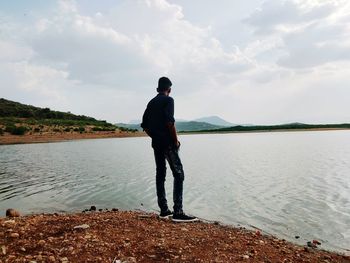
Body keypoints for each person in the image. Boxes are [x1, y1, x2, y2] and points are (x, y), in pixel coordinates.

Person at [141, 77, 198, 222]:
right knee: (178, 173)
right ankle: (178, 212)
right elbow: (169, 122)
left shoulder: (151, 102)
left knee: (160, 174)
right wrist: (175, 140)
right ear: (169, 89)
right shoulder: (169, 100)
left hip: (156, 143)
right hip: (168, 143)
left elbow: (145, 126)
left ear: (157, 89)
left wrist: (154, 136)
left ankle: (164, 210)